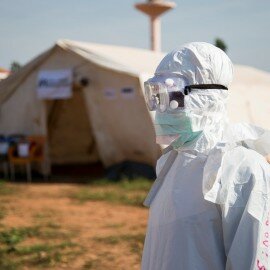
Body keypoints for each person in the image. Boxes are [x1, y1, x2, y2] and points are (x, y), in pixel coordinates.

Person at [141, 42, 270, 270]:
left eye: (170, 95)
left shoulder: (243, 169)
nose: (161, 108)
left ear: (207, 97)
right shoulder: (172, 162)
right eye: (156, 96)